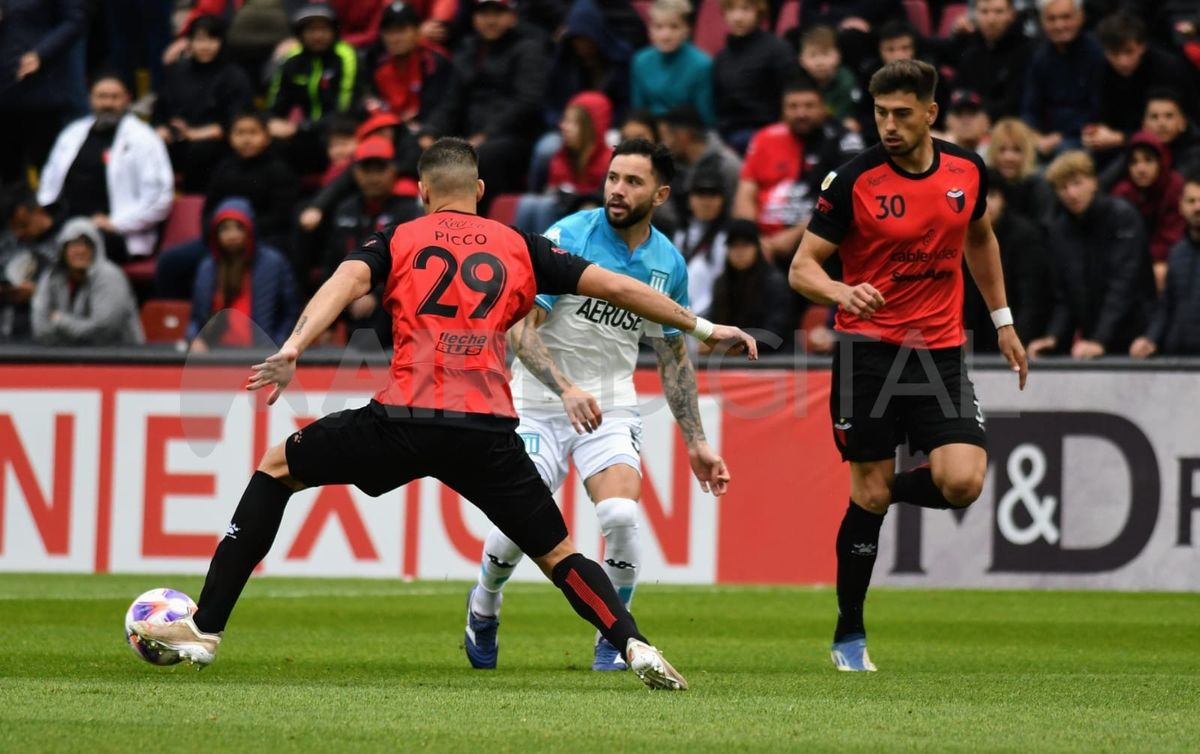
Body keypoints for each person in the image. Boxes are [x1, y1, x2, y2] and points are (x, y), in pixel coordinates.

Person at [129, 138, 759, 692]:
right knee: (560, 552)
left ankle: (206, 628)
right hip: (485, 430)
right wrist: (705, 328)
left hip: (402, 419)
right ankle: (632, 643)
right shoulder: (522, 245)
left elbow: (346, 281)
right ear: (480, 191)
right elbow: (621, 288)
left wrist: (294, 344)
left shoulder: (399, 237)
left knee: (276, 468)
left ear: (423, 190)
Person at [788, 60, 1028, 672]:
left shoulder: (966, 170)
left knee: (962, 482)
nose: (889, 125)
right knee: (868, 490)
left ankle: (874, 497)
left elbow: (980, 238)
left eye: (901, 113)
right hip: (866, 354)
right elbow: (802, 268)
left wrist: (1002, 321)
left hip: (939, 351)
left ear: (930, 113)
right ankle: (849, 634)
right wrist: (842, 292)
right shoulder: (853, 180)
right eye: (880, 113)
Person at [463, 138, 733, 672]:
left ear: (660, 195)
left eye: (632, 181)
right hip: (538, 401)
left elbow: (674, 358)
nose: (617, 189)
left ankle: (612, 637)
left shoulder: (667, 262)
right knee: (521, 520)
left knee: (620, 515)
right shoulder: (567, 237)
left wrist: (697, 442)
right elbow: (521, 330)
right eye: (613, 178)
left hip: (611, 404)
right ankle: (485, 602)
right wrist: (565, 387)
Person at [153, 111, 299, 301]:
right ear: (230, 138)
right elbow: (208, 211)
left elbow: (281, 217)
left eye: (253, 132)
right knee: (170, 261)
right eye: (240, 133)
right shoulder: (224, 169)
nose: (246, 139)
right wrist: (219, 234)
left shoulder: (279, 170)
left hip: (263, 241)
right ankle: (176, 316)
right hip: (220, 241)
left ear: (266, 137)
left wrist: (244, 233)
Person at [421, 0, 549, 213]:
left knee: (483, 156)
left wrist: (486, 134)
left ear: (511, 16)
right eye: (484, 14)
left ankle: (483, 221)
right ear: (474, 18)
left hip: (513, 137)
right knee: (419, 148)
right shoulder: (467, 49)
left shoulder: (528, 48)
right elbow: (451, 101)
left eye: (497, 13)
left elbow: (527, 102)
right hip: (470, 135)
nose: (490, 21)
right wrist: (429, 131)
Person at [1027, 150, 1152, 359]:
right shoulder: (1060, 230)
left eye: (1077, 183)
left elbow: (1124, 285)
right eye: (1063, 187)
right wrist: (1053, 336)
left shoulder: (1122, 216)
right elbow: (1065, 296)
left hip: (1136, 338)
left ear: (1093, 182)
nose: (1071, 193)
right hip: (1092, 340)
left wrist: (1099, 339)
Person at [37, 75, 174, 263]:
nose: (108, 103)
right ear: (90, 99)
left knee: (67, 250)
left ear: (127, 100)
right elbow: (48, 181)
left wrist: (116, 223)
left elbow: (159, 198)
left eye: (114, 97)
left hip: (115, 232)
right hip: (67, 220)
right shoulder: (72, 133)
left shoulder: (144, 138)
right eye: (101, 97)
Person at [734, 76, 864, 264]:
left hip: (818, 242)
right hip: (761, 246)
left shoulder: (843, 141)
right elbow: (745, 193)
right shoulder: (765, 138)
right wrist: (753, 239)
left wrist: (794, 236)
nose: (801, 113)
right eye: (793, 107)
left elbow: (841, 202)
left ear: (823, 107)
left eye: (809, 106)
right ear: (783, 110)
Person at [323, 137, 422, 347]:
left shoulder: (410, 211)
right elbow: (332, 262)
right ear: (356, 173)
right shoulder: (344, 210)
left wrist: (375, 295)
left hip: (390, 302)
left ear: (393, 171)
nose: (373, 177)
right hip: (348, 296)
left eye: (380, 169)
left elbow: (410, 267)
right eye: (367, 170)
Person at [152, 15, 254, 193]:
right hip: (178, 139)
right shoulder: (178, 71)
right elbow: (160, 110)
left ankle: (194, 202)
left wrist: (195, 134)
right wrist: (162, 128)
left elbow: (237, 120)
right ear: (189, 43)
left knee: (200, 151)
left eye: (212, 39)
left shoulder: (234, 75)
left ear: (222, 42)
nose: (205, 46)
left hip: (216, 143)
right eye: (199, 40)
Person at [187, 198, 299, 352]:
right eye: (224, 229)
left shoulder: (273, 263)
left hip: (262, 354)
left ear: (250, 230)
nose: (232, 235)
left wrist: (277, 344)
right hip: (214, 354)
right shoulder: (207, 268)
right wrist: (195, 338)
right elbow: (195, 318)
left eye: (239, 227)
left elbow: (291, 312)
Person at [962, 169, 1052, 353]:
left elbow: (1031, 297)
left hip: (1014, 337)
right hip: (970, 340)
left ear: (1004, 200)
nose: (985, 203)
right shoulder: (960, 234)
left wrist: (1019, 340)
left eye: (992, 195)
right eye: (978, 196)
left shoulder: (1025, 235)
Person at [266, 3, 363, 174]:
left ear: (334, 31)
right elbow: (275, 106)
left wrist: (301, 127)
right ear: (300, 33)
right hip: (304, 130)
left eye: (323, 29)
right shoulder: (291, 59)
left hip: (340, 129)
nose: (318, 36)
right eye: (311, 30)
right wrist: (272, 123)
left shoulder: (346, 56)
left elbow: (345, 110)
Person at [0, 0, 87, 185]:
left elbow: (74, 21)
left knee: (48, 167)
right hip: (4, 83)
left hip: (41, 82)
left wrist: (41, 53)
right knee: (8, 171)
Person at [1089, 11, 1195, 156]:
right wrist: (1094, 133)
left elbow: (1172, 127)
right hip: (1119, 144)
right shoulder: (1101, 70)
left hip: (1174, 147)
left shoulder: (1168, 69)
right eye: (1114, 54)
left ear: (1142, 46)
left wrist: (1123, 138)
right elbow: (1100, 114)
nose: (1123, 61)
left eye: (1129, 52)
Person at [31, 217, 144, 346]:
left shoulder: (110, 276)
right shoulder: (51, 276)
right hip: (67, 354)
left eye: (86, 244)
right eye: (73, 244)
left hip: (120, 354)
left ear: (96, 248)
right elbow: (40, 328)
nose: (80, 250)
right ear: (63, 249)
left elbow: (103, 332)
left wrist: (60, 321)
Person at [515, 92, 613, 234]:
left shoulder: (609, 161)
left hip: (585, 221)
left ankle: (547, 247)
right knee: (527, 202)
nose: (563, 126)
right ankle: (518, 246)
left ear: (591, 127)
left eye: (572, 122)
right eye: (564, 120)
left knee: (546, 205)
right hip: (561, 210)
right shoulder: (561, 157)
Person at [1020, 0, 1105, 157]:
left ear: (1080, 17)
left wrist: (1061, 135)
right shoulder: (1040, 56)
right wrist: (1034, 134)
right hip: (1045, 137)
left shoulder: (1096, 54)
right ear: (1042, 22)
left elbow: (1098, 110)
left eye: (1066, 17)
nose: (1059, 25)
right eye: (1051, 19)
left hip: (1082, 136)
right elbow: (1030, 107)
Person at [713, 0, 798, 154]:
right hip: (727, 134)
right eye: (731, 10)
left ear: (758, 12)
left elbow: (792, 94)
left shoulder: (778, 50)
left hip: (765, 132)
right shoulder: (722, 57)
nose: (737, 17)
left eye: (745, 9)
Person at [1130, 171, 1200, 357]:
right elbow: (1166, 306)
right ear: (1181, 205)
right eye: (1191, 201)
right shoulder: (1176, 253)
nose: (1197, 207)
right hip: (1176, 358)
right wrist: (1150, 339)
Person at [1110, 131, 1186, 289]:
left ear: (1161, 162)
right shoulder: (1122, 193)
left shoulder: (1174, 187)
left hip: (1166, 260)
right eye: (1134, 162)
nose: (1141, 169)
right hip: (1132, 262)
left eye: (1148, 160)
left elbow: (1171, 238)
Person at [707, 219, 796, 353]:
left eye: (745, 245)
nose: (739, 252)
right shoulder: (721, 283)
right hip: (731, 357)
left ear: (757, 248)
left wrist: (732, 344)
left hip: (773, 358)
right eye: (733, 246)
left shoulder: (775, 282)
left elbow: (775, 333)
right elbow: (714, 321)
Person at [368, 1, 453, 129]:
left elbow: (443, 109)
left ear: (417, 32)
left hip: (429, 129)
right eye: (389, 32)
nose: (395, 39)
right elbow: (374, 104)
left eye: (401, 31)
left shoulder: (435, 62)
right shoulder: (378, 65)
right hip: (391, 128)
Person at [631, 0, 716, 127]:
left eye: (674, 27)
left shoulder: (702, 64)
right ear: (649, 30)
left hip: (687, 131)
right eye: (658, 27)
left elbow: (706, 118)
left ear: (687, 29)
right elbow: (638, 113)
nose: (666, 35)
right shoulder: (640, 61)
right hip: (651, 131)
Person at [950, 0, 1033, 122]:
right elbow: (956, 93)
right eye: (984, 11)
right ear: (975, 15)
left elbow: (1016, 103)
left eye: (998, 12)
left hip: (1008, 125)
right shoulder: (970, 49)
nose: (991, 19)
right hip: (967, 121)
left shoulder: (1027, 51)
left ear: (1012, 14)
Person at [0, 186, 61, 341]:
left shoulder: (66, 242)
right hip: (6, 332)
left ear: (39, 212)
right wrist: (7, 291)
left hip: (50, 336)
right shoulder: (6, 244)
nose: (19, 233)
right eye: (13, 227)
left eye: (23, 225)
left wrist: (39, 292)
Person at [674, 167, 732, 317]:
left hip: (712, 319)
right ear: (689, 199)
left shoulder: (727, 238)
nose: (706, 202)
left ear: (723, 201)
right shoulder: (680, 235)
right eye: (700, 194)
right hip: (679, 315)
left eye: (713, 195)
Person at [987, 117, 1056, 228]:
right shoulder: (983, 185)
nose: (1009, 157)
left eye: (1017, 150)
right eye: (1002, 149)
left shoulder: (1039, 187)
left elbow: (1043, 229)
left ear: (1027, 153)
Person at [797, 25, 863, 133]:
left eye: (826, 54)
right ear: (801, 60)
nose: (820, 62)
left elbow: (846, 117)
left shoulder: (846, 81)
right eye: (813, 56)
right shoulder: (797, 82)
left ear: (838, 56)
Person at [944, 89, 992, 159]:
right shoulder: (936, 153)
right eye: (958, 113)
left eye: (972, 113)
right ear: (947, 121)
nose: (965, 121)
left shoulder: (999, 153)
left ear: (986, 121)